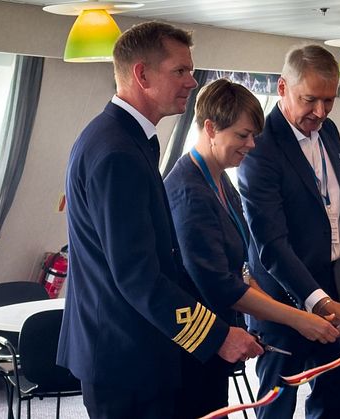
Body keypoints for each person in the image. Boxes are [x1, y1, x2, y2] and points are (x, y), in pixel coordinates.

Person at [56, 22, 263, 419]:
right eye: (180, 71)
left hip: (130, 346)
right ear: (142, 74)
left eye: (191, 70)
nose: (192, 81)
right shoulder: (117, 151)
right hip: (124, 353)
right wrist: (216, 336)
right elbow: (138, 275)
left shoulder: (123, 138)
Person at [164, 78, 340, 419]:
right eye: (242, 136)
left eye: (254, 136)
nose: (251, 145)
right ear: (211, 128)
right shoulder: (189, 192)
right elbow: (220, 285)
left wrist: (288, 315)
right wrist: (299, 319)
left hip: (215, 336)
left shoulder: (219, 179)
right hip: (190, 344)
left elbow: (239, 270)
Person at [237, 44, 340, 419]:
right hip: (282, 298)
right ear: (282, 88)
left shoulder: (329, 131)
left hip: (334, 289)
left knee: (332, 400)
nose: (320, 112)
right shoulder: (258, 146)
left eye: (329, 101)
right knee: (277, 405)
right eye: (310, 99)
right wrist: (319, 302)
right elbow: (270, 243)